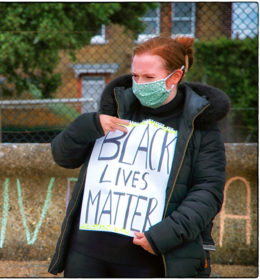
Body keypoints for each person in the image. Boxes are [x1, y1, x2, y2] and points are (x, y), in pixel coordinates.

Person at [48, 36, 229, 277]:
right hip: (87, 253)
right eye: (135, 76)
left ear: (174, 77)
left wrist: (163, 236)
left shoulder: (201, 127)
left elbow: (208, 192)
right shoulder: (116, 107)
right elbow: (63, 157)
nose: (140, 84)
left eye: (149, 78)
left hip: (151, 258)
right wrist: (87, 125)